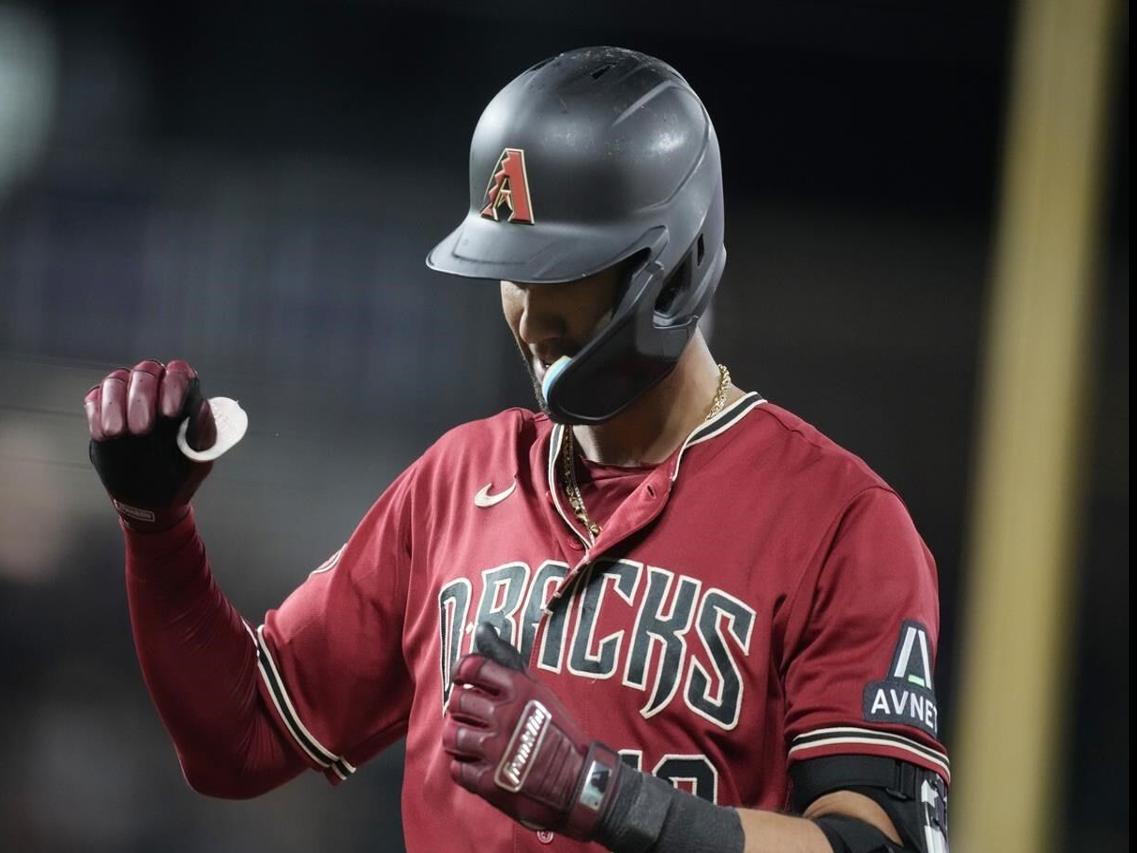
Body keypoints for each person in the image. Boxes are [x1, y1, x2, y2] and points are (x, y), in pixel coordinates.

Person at [85, 47, 950, 853]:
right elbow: (242, 740)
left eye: (559, 270)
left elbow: (875, 843)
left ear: (670, 263)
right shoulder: (457, 482)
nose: (529, 318)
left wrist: (605, 795)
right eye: (512, 269)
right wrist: (157, 530)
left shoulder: (839, 520)